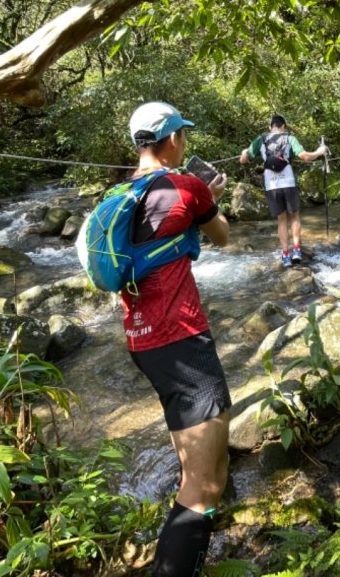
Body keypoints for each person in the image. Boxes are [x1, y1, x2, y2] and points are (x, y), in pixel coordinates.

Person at [120, 101, 231, 577]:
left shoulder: (121, 194)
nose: (185, 143)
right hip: (181, 340)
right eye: (182, 135)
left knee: (193, 472)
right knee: (205, 486)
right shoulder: (187, 185)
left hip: (142, 340)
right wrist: (211, 195)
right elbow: (221, 236)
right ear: (171, 141)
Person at [239, 114, 327, 267]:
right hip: (288, 182)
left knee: (281, 220)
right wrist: (320, 151)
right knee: (294, 216)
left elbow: (243, 160)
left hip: (271, 186)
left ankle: (286, 255)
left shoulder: (261, 139)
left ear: (270, 127)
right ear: (284, 126)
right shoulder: (289, 138)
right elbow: (305, 156)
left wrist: (244, 152)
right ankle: (297, 251)